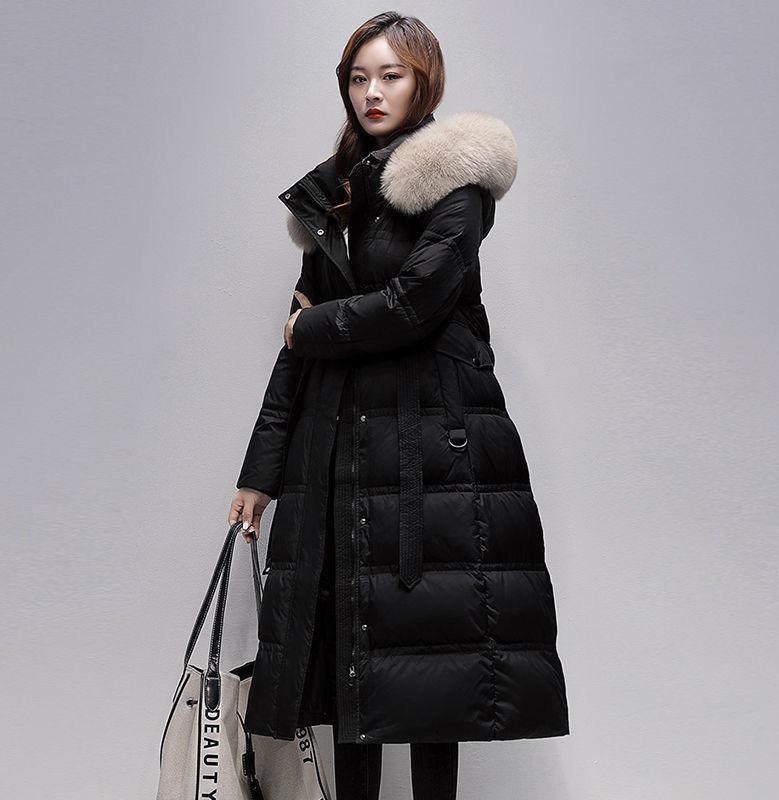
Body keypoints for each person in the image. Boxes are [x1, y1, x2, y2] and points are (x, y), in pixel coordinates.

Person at [229, 12, 569, 800]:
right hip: (341, 451)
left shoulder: (456, 184)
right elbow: (296, 354)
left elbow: (413, 304)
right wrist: (259, 474)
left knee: (429, 670)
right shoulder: (337, 196)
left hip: (430, 456)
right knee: (353, 669)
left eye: (391, 75)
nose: (372, 92)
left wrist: (313, 324)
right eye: (358, 78)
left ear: (425, 83)